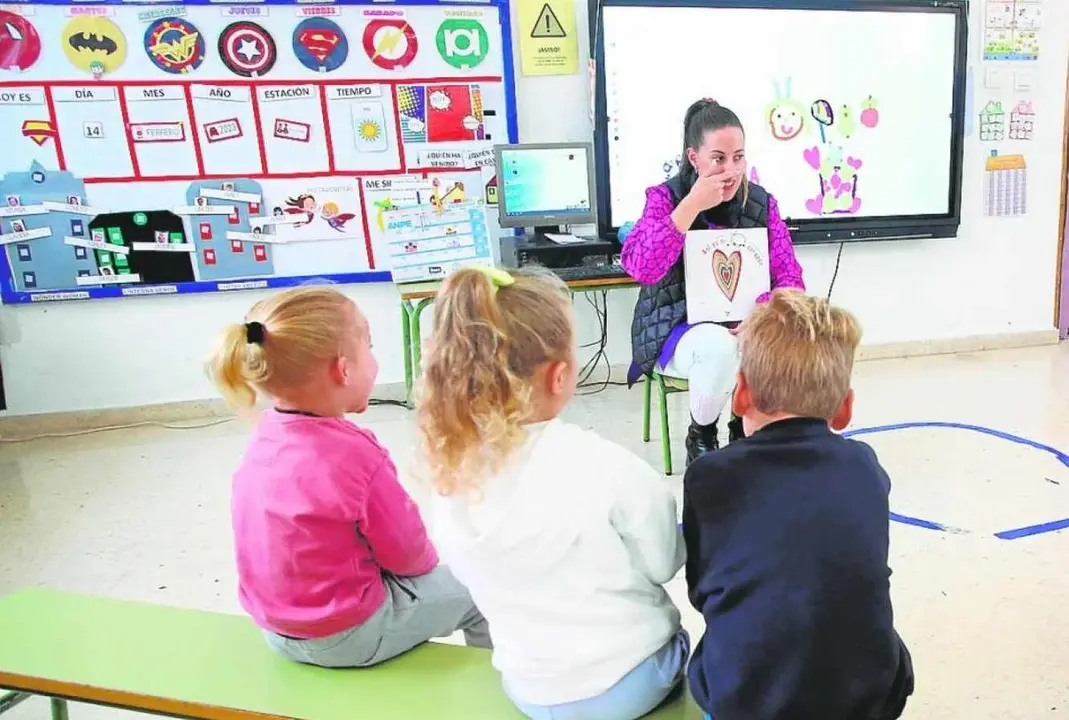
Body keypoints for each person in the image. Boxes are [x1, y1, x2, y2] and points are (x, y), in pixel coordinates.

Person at [418, 266, 687, 720]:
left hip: (528, 689)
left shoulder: (449, 474)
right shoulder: (605, 465)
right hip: (630, 683)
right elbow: (665, 562)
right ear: (559, 376)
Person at [205, 286, 490, 668]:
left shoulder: (264, 437)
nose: (373, 358)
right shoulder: (356, 453)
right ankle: (494, 684)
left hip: (275, 629)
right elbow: (409, 556)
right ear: (343, 369)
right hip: (346, 634)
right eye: (369, 347)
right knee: (484, 591)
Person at [683, 289, 915, 720]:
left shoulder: (707, 475)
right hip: (868, 699)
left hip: (746, 704)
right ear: (845, 408)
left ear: (740, 395)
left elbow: (703, 592)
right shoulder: (864, 465)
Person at [621, 98, 806, 465]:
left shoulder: (761, 203)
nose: (731, 169)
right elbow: (642, 267)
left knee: (773, 339)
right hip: (677, 328)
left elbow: (790, 278)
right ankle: (702, 434)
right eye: (718, 158)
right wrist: (690, 206)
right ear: (694, 158)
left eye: (739, 157)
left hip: (742, 326)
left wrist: (764, 313)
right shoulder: (664, 198)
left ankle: (744, 427)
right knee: (719, 346)